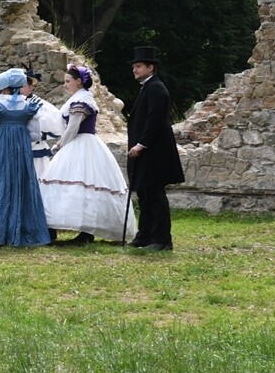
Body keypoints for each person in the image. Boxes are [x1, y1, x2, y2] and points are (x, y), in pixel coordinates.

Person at [39, 65, 137, 244]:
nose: (65, 85)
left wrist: (60, 145)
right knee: (79, 183)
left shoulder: (82, 100)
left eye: (68, 81)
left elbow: (73, 128)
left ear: (79, 81)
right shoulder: (80, 98)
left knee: (83, 181)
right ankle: (82, 232)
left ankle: (86, 232)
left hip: (81, 143)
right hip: (81, 143)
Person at [0, 68, 50, 247]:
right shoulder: (28, 106)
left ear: (3, 86)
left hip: (0, 150)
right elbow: (35, 135)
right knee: (21, 184)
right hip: (21, 151)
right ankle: (23, 231)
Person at [127, 46, 184, 252]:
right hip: (146, 152)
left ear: (150, 68)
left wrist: (141, 144)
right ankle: (145, 235)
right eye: (134, 66)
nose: (135, 70)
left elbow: (155, 120)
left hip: (154, 152)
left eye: (139, 66)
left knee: (155, 194)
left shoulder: (156, 88)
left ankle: (161, 239)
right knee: (144, 192)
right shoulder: (148, 87)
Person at [20, 66, 64, 178]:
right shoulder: (9, 101)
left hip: (34, 150)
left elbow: (56, 125)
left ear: (31, 87)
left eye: (23, 85)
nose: (19, 88)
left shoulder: (40, 105)